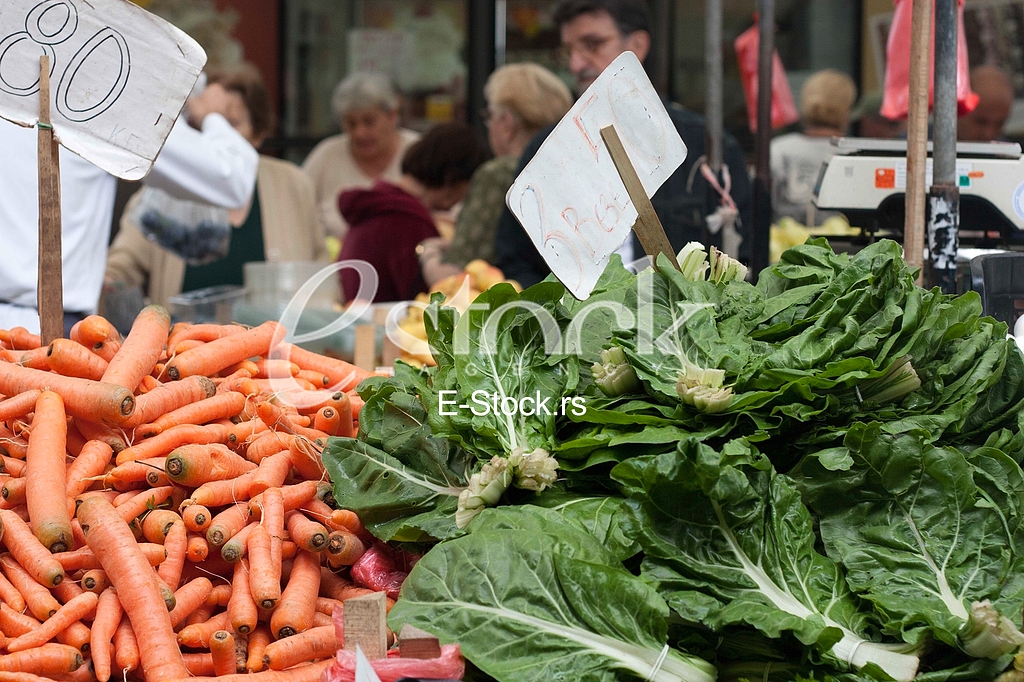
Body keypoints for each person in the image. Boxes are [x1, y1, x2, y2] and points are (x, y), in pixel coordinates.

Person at [492, 0, 753, 289]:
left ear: (638, 45)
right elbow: (516, 261)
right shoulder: (544, 151)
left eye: (593, 44)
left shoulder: (706, 150)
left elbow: (743, 262)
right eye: (569, 51)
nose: (576, 63)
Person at [0, 77, 258, 335]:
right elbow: (231, 177)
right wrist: (211, 114)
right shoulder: (95, 90)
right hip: (46, 333)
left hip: (42, 326)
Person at [104, 63, 326, 309]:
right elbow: (124, 261)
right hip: (183, 343)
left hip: (274, 344)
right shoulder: (164, 190)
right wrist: (110, 280)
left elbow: (321, 266)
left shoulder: (293, 184)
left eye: (230, 124)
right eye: (203, 125)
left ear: (259, 133)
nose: (216, 137)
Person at [417, 63, 574, 286]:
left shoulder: (498, 174)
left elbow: (459, 275)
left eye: (489, 115)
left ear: (506, 123)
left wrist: (429, 255)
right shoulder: (567, 169)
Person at [337, 122, 490, 304]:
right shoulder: (410, 223)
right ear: (452, 181)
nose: (463, 200)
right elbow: (430, 301)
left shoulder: (378, 206)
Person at [302, 73, 421, 242]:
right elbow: (298, 208)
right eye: (351, 123)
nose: (359, 133)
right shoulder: (326, 155)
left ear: (392, 116)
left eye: (369, 122)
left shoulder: (419, 152)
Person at [770, 69, 857, 225]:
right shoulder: (858, 154)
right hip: (849, 248)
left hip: (786, 246)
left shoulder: (778, 150)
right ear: (846, 111)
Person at [958, 65, 1014, 142]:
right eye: (981, 122)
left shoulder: (1007, 152)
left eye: (999, 124)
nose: (988, 134)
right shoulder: (935, 147)